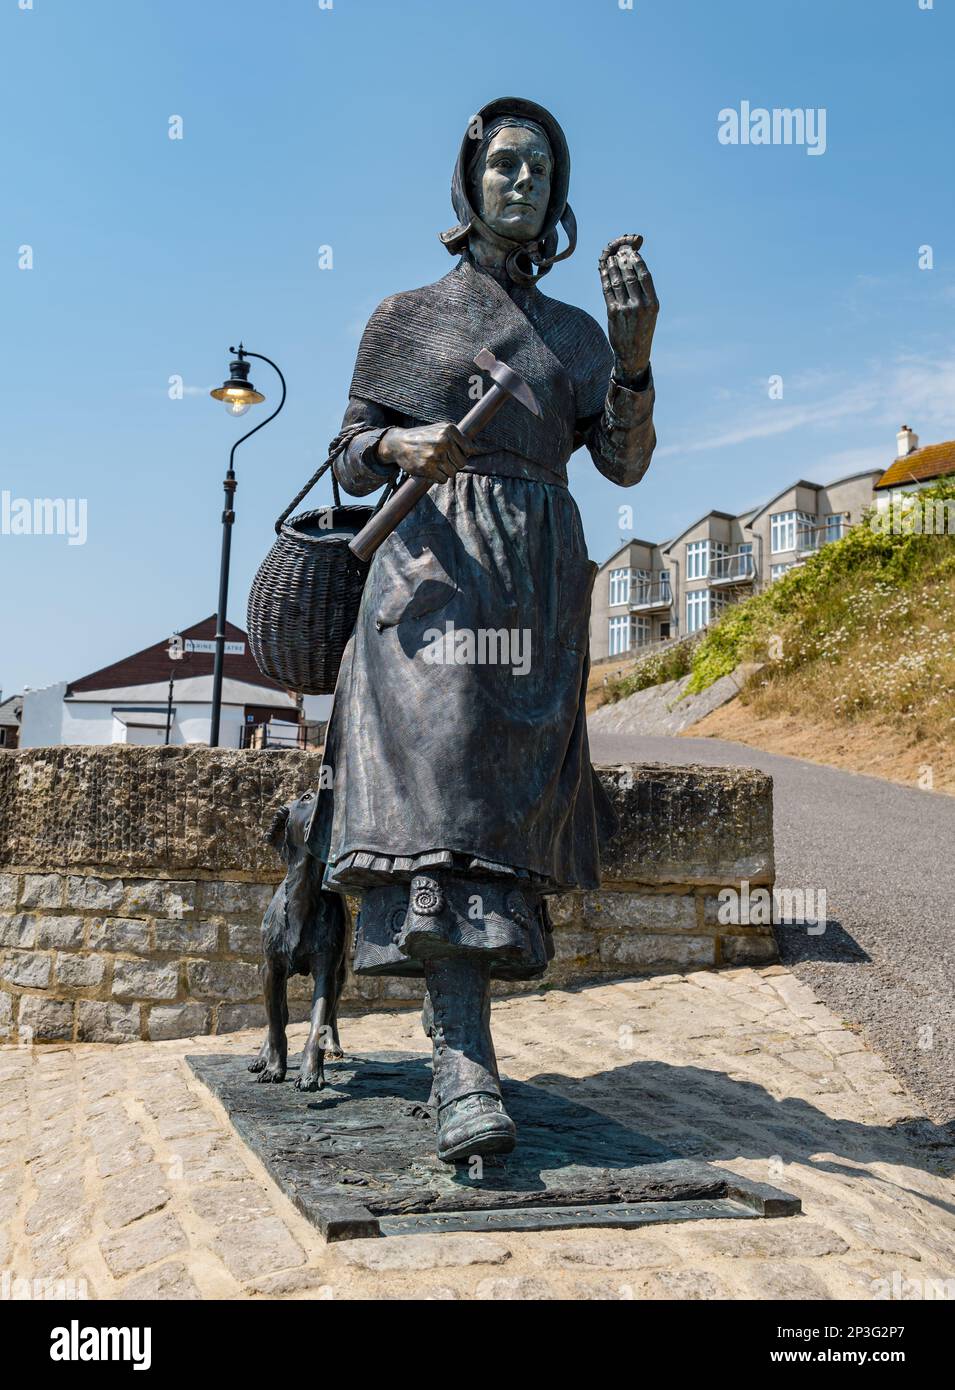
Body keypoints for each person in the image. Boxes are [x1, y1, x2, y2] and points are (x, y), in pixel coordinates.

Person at [307, 96, 658, 1163]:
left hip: (538, 587)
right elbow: (347, 451)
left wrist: (635, 356)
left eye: (540, 169)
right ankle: (461, 1061)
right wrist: (405, 446)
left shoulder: (577, 336)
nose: (522, 182)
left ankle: (465, 1043)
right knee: (442, 793)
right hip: (429, 576)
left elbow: (625, 461)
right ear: (470, 182)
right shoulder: (408, 314)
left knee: (499, 818)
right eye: (504, 164)